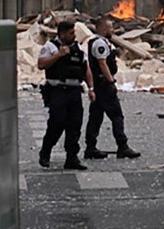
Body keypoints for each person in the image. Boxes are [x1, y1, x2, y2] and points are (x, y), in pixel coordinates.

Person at [38, 20, 95, 170]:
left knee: (75, 124)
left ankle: (72, 157)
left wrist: (91, 88)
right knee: (56, 123)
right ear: (62, 34)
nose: (74, 36)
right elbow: (41, 64)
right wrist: (58, 55)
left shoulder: (78, 49)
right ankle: (45, 152)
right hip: (58, 91)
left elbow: (86, 69)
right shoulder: (50, 47)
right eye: (71, 33)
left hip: (74, 91)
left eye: (74, 32)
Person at [84, 16, 141, 160]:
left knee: (95, 117)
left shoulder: (98, 42)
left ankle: (90, 148)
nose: (112, 30)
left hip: (98, 85)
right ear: (103, 29)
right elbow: (102, 63)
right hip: (104, 86)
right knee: (117, 116)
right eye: (110, 28)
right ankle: (122, 146)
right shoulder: (100, 44)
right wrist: (110, 81)